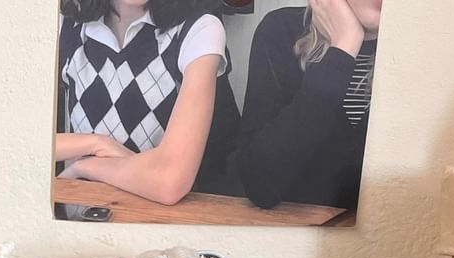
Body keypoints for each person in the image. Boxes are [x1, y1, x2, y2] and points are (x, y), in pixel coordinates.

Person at [56, 0, 237, 205]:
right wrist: (97, 143)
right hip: (77, 213)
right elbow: (27, 142)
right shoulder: (64, 25)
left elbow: (170, 182)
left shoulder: (200, 30)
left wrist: (83, 167)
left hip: (154, 216)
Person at [237, 0, 382, 210]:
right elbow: (259, 184)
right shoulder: (281, 30)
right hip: (289, 228)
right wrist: (343, 48)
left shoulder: (421, 56)